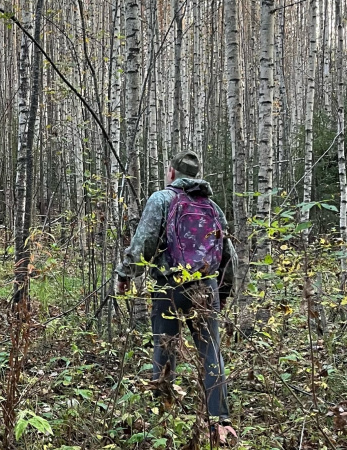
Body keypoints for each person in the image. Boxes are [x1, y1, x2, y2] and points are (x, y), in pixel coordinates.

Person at [114, 150, 237, 443]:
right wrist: (221, 292)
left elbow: (143, 242)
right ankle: (220, 423)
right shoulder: (213, 207)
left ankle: (162, 415)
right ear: (196, 175)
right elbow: (227, 256)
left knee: (165, 348)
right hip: (205, 288)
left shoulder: (162, 199)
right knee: (211, 353)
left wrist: (125, 274)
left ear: (171, 173)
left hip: (169, 287)